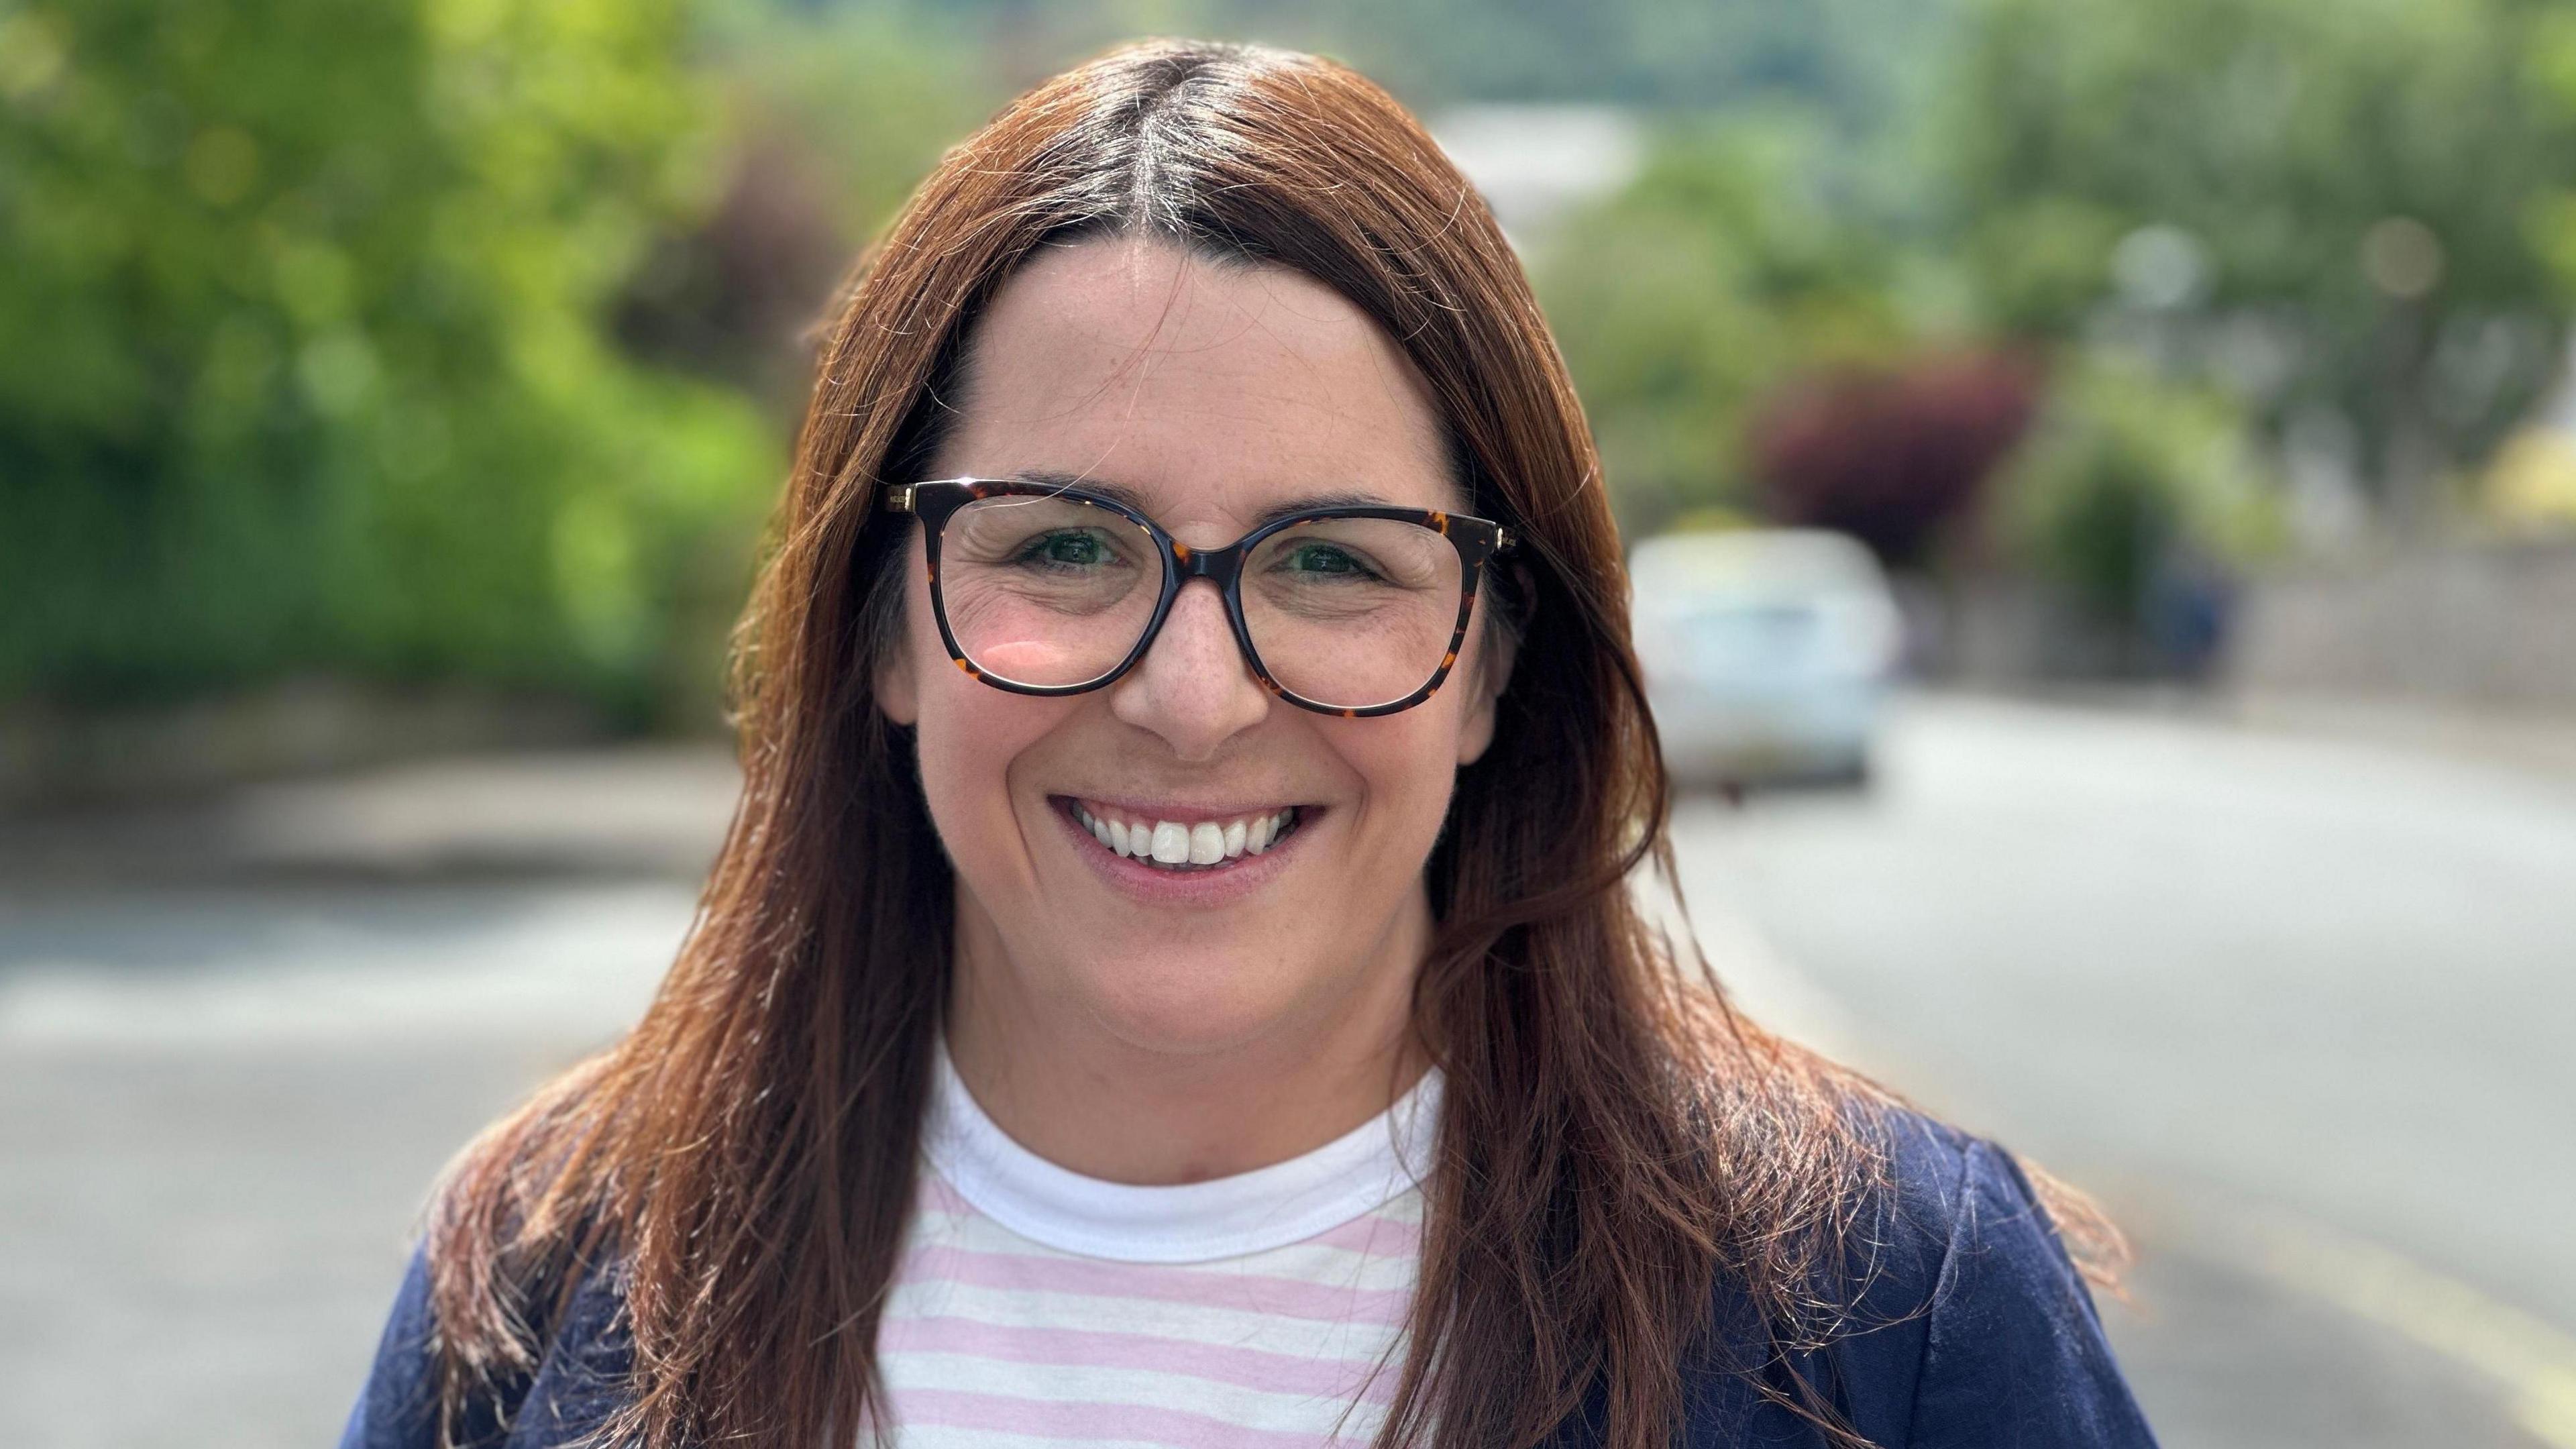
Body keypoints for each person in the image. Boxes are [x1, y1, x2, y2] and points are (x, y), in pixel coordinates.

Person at [340, 39, 2157, 1449]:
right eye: (1061, 544)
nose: (1192, 697)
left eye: (1329, 564)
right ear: (883, 619)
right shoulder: (548, 1287)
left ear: (1491, 658)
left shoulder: (1893, 1317)